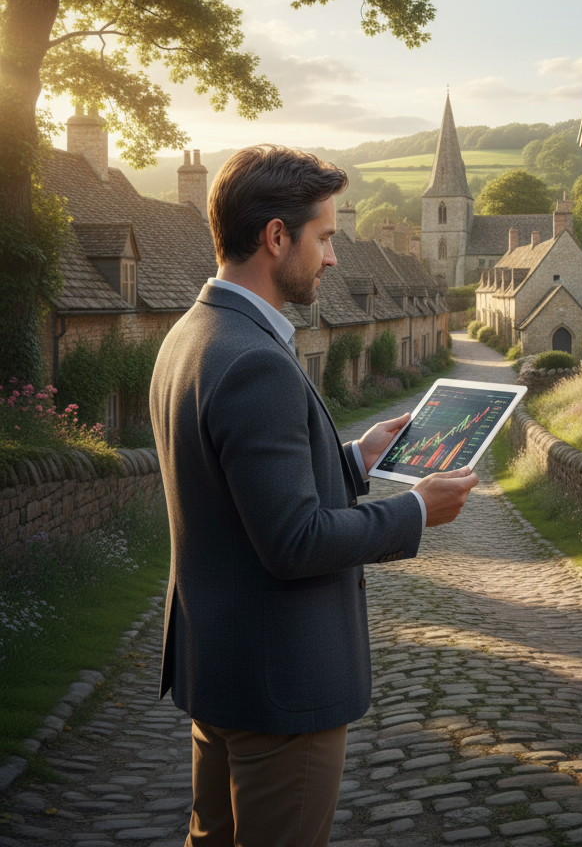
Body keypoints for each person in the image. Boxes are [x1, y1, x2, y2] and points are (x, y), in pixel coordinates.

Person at [150, 145, 478, 847]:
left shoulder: (191, 335)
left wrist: (354, 460)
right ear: (276, 236)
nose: (332, 257)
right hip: (281, 687)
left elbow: (233, 486)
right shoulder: (255, 360)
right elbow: (294, 542)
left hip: (221, 669)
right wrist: (416, 508)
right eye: (324, 237)